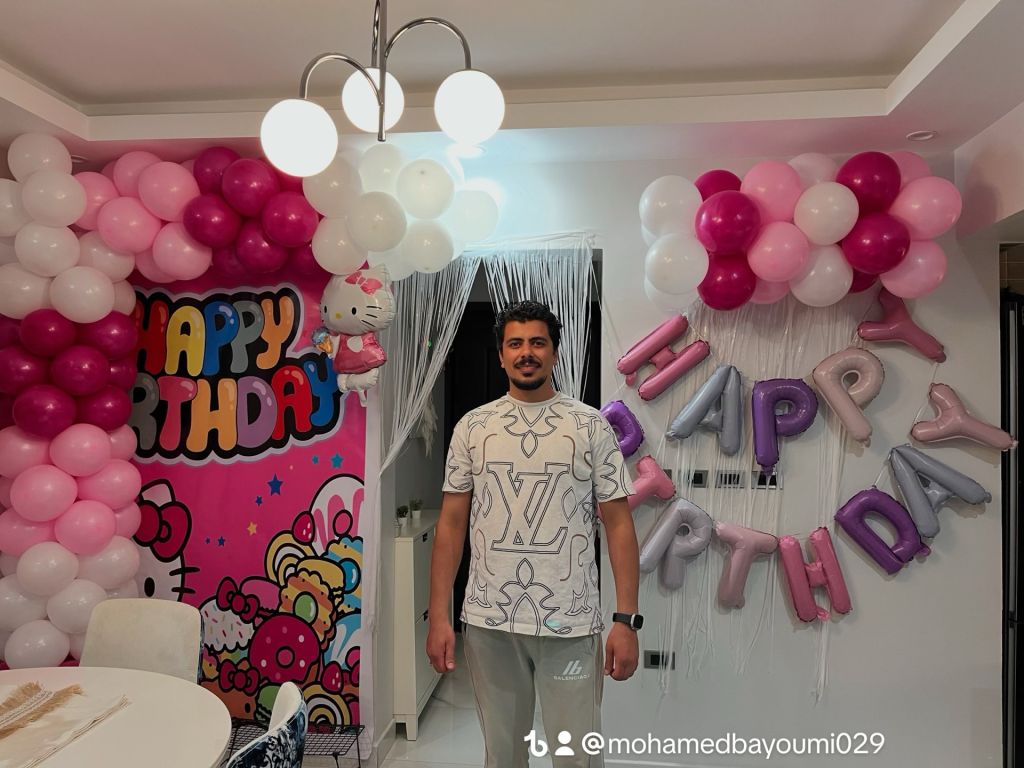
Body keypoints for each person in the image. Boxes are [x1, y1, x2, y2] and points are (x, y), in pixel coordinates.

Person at [427, 300, 642, 768]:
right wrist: (439, 616)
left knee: (576, 757)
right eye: (516, 343)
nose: (527, 352)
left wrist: (626, 620)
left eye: (538, 342)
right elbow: (451, 525)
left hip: (570, 622)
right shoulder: (472, 428)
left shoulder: (590, 426)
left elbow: (619, 524)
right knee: (503, 755)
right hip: (489, 623)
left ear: (554, 353)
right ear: (501, 355)